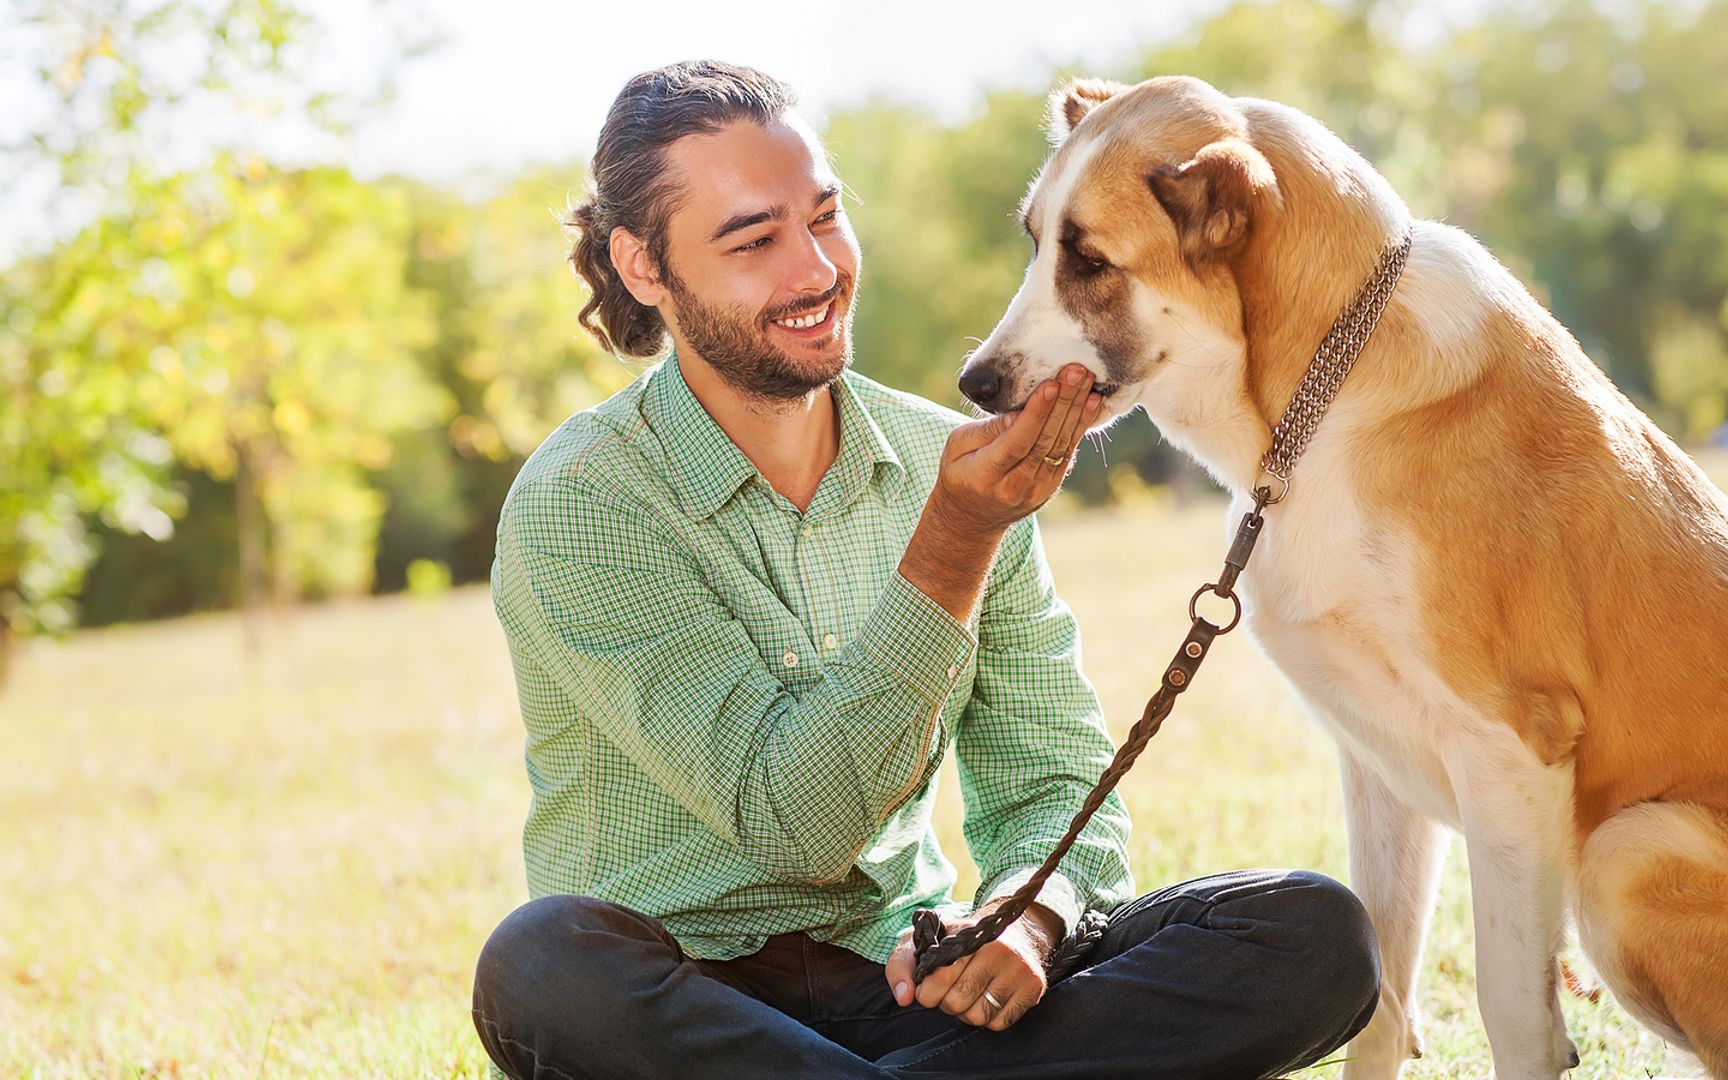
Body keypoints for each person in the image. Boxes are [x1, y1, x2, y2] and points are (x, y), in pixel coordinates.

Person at [471, 59, 1381, 1080]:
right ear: (644, 267)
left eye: (825, 218)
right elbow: (794, 828)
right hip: (692, 1012)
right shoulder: (586, 500)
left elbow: (1049, 776)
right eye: (754, 241)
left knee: (1309, 935)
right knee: (539, 964)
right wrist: (953, 540)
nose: (815, 270)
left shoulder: (942, 458)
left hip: (911, 993)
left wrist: (1027, 914)